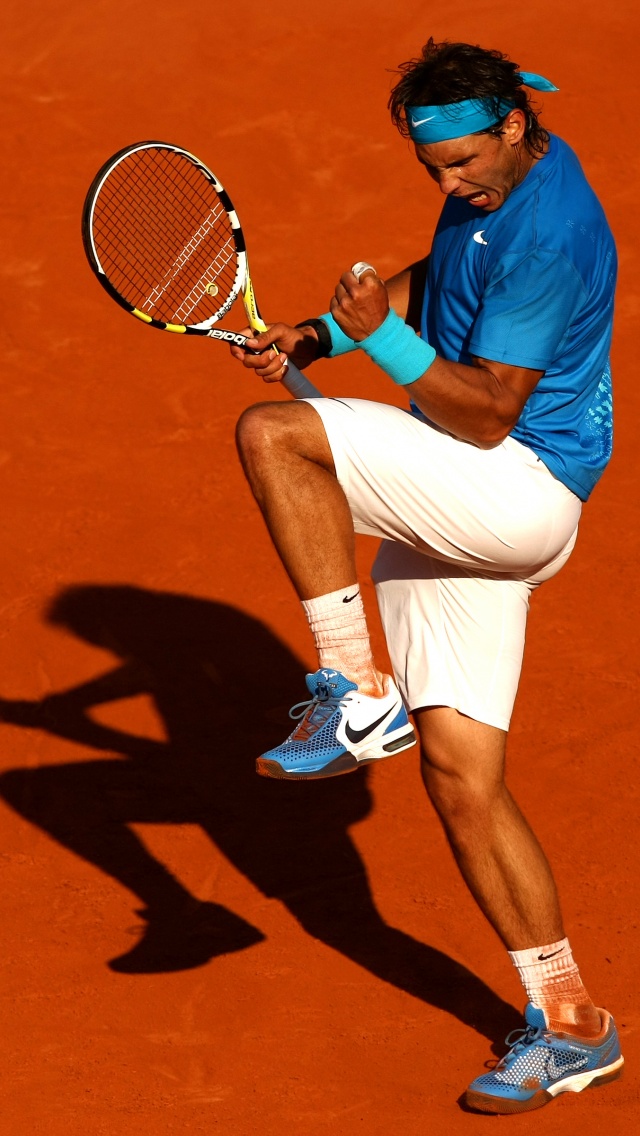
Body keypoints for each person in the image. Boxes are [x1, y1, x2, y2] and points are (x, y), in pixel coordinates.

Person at [230, 39, 622, 1114]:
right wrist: (325, 330)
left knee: (277, 435)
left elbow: (487, 407)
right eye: (432, 169)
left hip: (510, 484)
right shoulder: (503, 174)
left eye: (461, 164)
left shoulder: (551, 227)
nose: (449, 184)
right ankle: (572, 1022)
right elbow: (441, 271)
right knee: (460, 776)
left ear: (509, 125)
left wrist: (385, 346)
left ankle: (354, 692)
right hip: (471, 497)